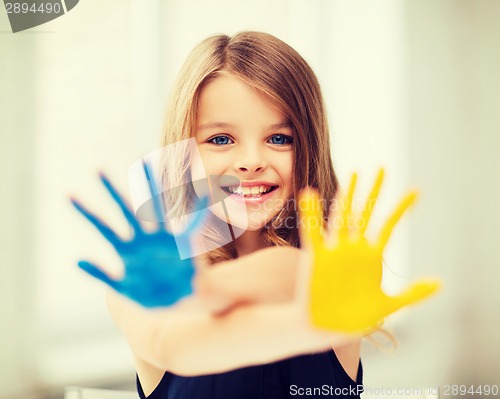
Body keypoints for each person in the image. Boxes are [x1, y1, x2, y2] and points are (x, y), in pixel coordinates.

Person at [71, 31, 439, 398]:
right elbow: (175, 346)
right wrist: (181, 295)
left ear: (309, 150)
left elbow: (284, 274)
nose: (250, 163)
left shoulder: (322, 275)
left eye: (279, 138)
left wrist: (204, 290)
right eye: (220, 140)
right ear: (184, 154)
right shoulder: (134, 289)